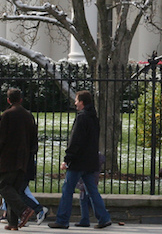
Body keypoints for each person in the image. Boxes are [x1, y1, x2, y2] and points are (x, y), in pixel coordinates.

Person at [48, 90, 112, 229]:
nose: (75, 103)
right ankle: (104, 218)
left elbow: (75, 141)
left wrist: (67, 159)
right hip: (91, 160)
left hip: (78, 162)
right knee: (92, 190)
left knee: (67, 190)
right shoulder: (94, 117)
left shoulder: (82, 118)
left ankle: (62, 220)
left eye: (77, 100)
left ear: (82, 102)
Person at [0, 88, 38, 231]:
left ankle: (24, 209)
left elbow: (1, 138)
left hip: (8, 158)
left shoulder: (6, 115)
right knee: (14, 188)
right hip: (23, 158)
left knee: (3, 187)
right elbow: (34, 138)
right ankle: (13, 223)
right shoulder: (28, 115)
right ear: (21, 99)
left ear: (8, 100)